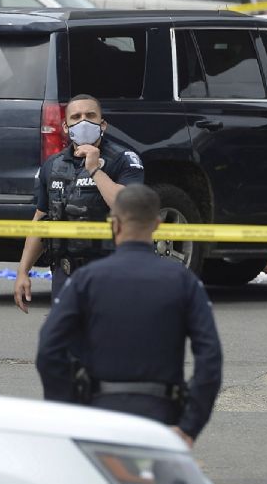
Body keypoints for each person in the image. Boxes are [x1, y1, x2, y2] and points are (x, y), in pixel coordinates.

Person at [36, 185, 222, 446]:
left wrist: (69, 411)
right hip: (161, 419)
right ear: (157, 225)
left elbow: (49, 348)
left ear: (114, 223)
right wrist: (189, 426)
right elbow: (210, 357)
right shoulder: (182, 281)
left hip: (98, 416)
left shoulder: (86, 280)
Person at [14, 94, 145, 313]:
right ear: (66, 127)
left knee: (109, 344)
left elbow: (128, 208)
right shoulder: (53, 166)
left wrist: (95, 169)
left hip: (111, 274)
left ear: (103, 124)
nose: (83, 121)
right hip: (65, 275)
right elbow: (41, 219)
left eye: (90, 115)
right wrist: (22, 272)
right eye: (76, 117)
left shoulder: (124, 159)